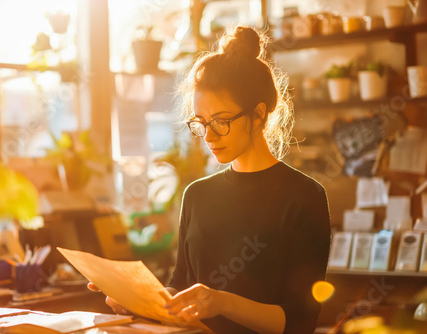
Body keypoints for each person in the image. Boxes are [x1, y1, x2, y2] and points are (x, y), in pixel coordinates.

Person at [90, 25, 331, 334]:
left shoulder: (304, 196)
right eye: (201, 123)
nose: (208, 136)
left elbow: (300, 321)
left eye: (221, 121)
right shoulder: (197, 195)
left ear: (258, 114)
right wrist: (137, 302)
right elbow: (181, 290)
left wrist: (222, 302)